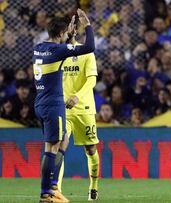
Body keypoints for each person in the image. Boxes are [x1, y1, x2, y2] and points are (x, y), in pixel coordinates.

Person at [33, 9, 94, 203]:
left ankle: (51, 187)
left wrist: (69, 36)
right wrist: (88, 25)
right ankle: (47, 193)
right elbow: (90, 47)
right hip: (53, 104)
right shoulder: (57, 50)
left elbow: (61, 51)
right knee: (52, 148)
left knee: (62, 140)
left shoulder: (39, 47)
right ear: (60, 34)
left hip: (40, 102)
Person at [51, 18, 100, 201]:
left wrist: (77, 96)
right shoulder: (58, 53)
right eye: (67, 27)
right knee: (59, 146)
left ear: (76, 30)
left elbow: (92, 80)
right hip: (63, 109)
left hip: (84, 108)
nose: (70, 29)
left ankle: (93, 187)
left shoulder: (86, 52)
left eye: (72, 26)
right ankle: (56, 192)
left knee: (90, 149)